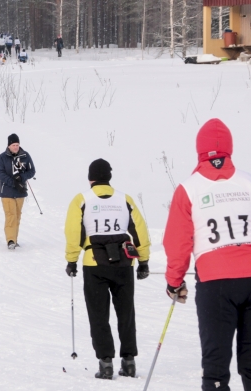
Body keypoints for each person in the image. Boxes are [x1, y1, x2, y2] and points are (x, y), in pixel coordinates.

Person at [163, 119, 251, 391]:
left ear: (199, 151)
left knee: (216, 367)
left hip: (216, 281)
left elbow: (178, 243)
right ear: (229, 148)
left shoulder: (188, 189)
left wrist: (174, 281)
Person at [64, 158, 151, 379]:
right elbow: (140, 230)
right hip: (124, 263)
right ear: (109, 177)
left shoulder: (82, 200)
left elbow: (74, 232)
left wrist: (72, 260)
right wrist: (143, 261)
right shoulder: (125, 199)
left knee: (99, 315)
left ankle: (105, 363)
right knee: (126, 313)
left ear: (90, 178)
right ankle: (129, 362)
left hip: (95, 264)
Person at [0, 134, 36, 249]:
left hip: (20, 192)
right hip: (7, 192)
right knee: (11, 215)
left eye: (17, 145)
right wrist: (14, 182)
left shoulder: (25, 156)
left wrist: (21, 178)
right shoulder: (2, 157)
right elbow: (0, 174)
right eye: (13, 145)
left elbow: (32, 171)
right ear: (9, 146)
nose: (16, 147)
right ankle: (10, 240)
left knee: (17, 216)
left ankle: (15, 239)